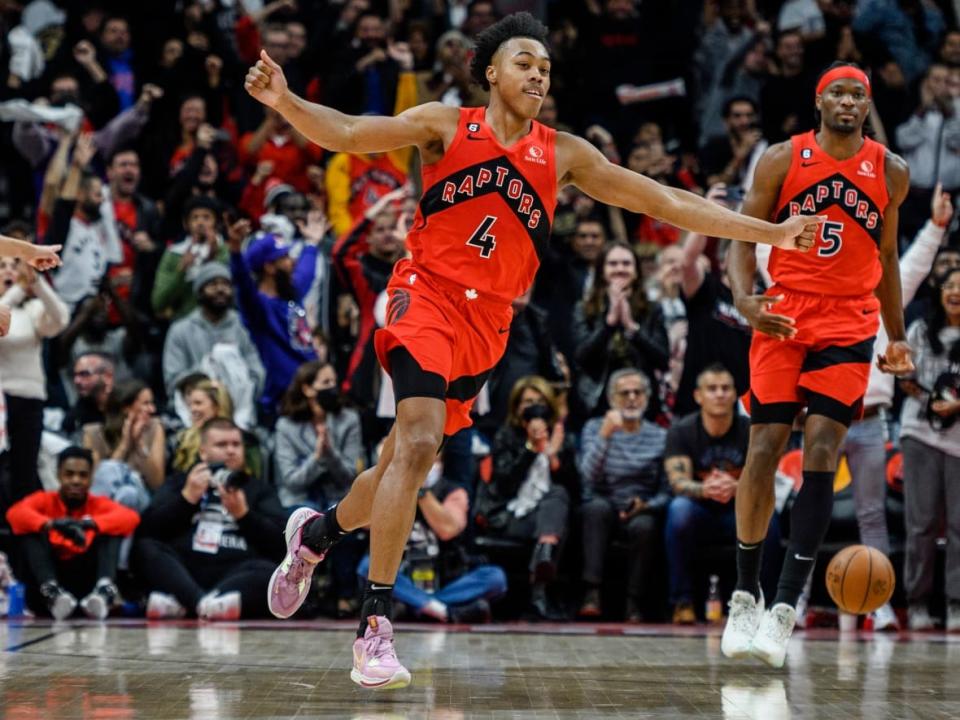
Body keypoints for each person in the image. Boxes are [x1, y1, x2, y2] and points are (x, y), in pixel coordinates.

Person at [245, 11, 818, 690]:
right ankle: (375, 626)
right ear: (491, 71)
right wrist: (285, 101)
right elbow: (345, 132)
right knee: (422, 442)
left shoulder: (564, 155)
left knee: (399, 463)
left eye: (545, 67)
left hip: (487, 327)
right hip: (422, 294)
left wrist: (770, 234)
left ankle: (315, 538)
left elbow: (661, 200)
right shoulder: (444, 125)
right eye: (524, 62)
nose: (538, 74)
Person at [720, 62, 914, 668]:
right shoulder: (782, 159)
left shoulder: (890, 171)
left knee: (825, 451)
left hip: (850, 320)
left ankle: (784, 608)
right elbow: (741, 235)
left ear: (868, 104)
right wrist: (744, 300)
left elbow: (886, 256)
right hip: (784, 314)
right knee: (764, 449)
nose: (850, 102)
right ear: (819, 100)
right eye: (840, 92)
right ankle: (744, 594)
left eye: (859, 94)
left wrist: (898, 337)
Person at [133, 418, 287, 620]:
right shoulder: (181, 482)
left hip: (236, 571)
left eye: (236, 444)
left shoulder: (257, 488)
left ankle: (186, 604)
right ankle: (205, 604)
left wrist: (244, 516)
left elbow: (280, 544)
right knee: (145, 549)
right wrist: (186, 500)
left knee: (274, 572)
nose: (231, 450)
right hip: (184, 570)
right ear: (203, 452)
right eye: (221, 445)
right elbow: (148, 530)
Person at [664, 364, 754, 624]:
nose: (719, 394)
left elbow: (768, 479)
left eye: (726, 388)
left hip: (739, 509)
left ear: (735, 394)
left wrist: (738, 488)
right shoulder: (682, 431)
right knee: (678, 510)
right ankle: (682, 602)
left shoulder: (751, 429)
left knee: (767, 521)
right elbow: (677, 482)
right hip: (700, 508)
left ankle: (763, 603)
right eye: (712, 389)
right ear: (698, 396)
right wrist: (705, 489)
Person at [6, 446, 139, 620]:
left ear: (91, 478)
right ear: (59, 474)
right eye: (69, 474)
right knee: (30, 529)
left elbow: (130, 517)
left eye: (83, 475)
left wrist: (88, 524)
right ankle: (53, 594)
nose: (76, 481)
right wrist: (52, 524)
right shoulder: (44, 499)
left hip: (86, 586)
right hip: (48, 583)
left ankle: (103, 593)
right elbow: (14, 514)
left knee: (112, 528)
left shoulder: (98, 504)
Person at [578, 369, 668, 623]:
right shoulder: (594, 427)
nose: (631, 398)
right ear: (611, 399)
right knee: (595, 510)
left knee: (645, 525)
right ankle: (591, 594)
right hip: (604, 503)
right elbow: (587, 477)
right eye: (624, 393)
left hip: (640, 506)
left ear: (647, 398)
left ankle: (633, 602)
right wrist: (605, 435)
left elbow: (667, 491)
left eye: (637, 392)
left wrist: (648, 504)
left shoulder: (660, 436)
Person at [899, 267, 960, 631]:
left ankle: (955, 603)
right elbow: (903, 376)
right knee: (920, 524)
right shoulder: (920, 330)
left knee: (959, 525)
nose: (955, 291)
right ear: (940, 292)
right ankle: (917, 602)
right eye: (951, 285)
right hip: (920, 432)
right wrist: (932, 398)